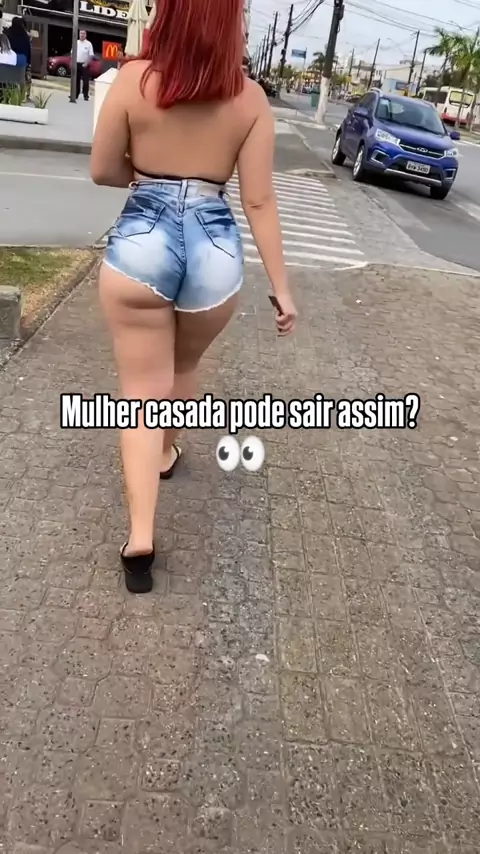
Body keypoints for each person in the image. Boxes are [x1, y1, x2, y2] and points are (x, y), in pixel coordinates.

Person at [90, 0, 297, 594]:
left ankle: (140, 538)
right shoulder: (250, 100)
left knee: (139, 391)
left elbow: (103, 170)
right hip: (215, 249)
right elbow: (258, 200)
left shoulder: (134, 80)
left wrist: (142, 174)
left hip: (143, 242)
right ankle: (165, 452)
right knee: (182, 366)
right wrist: (282, 289)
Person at [4, 17, 31, 99]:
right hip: (21, 63)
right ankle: (21, 96)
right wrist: (28, 62)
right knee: (21, 78)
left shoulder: (8, 34)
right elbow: (28, 50)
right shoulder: (25, 36)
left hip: (7, 63)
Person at [75, 29, 93, 101]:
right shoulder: (76, 42)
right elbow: (72, 53)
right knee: (76, 80)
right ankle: (75, 94)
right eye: (81, 33)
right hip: (77, 63)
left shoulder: (88, 44)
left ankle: (85, 95)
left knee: (85, 81)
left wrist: (87, 63)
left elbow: (91, 55)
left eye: (83, 33)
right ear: (79, 34)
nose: (82, 35)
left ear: (86, 35)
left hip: (85, 65)